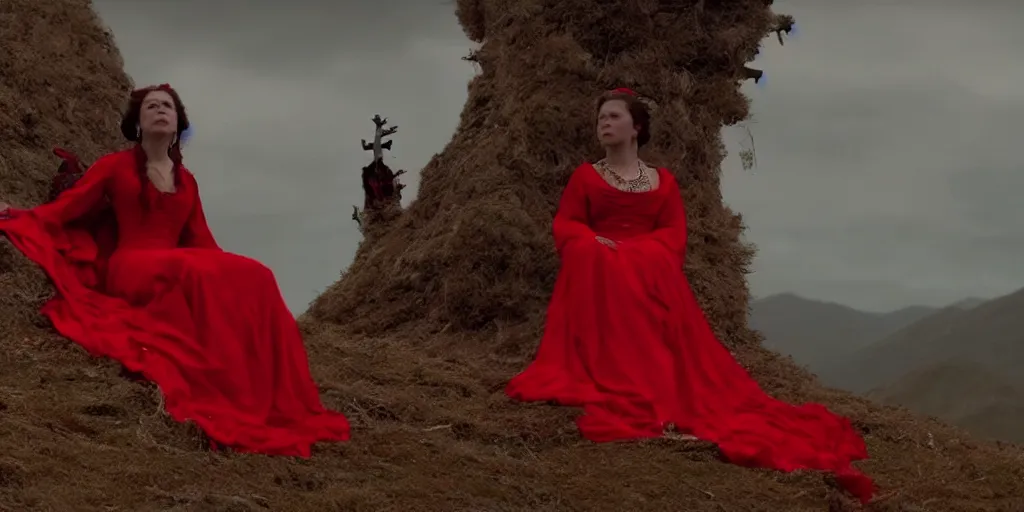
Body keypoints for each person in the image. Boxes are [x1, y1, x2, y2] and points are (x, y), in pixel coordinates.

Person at [504, 87, 875, 503]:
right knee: (595, 258)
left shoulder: (662, 182)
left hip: (647, 270)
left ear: (636, 126)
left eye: (612, 117)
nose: (603, 124)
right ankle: (615, 368)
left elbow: (673, 235)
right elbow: (568, 224)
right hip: (600, 267)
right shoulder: (586, 176)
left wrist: (640, 252)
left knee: (645, 279)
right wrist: (593, 243)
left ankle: (656, 377)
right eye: (600, 119)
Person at [0, 84, 350, 456]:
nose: (160, 110)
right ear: (138, 121)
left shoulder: (187, 181)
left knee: (257, 273)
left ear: (178, 121)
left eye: (167, 106)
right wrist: (14, 214)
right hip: (130, 263)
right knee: (194, 272)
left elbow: (202, 242)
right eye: (151, 106)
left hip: (174, 260)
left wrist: (230, 276)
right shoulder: (114, 165)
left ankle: (256, 385)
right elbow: (67, 208)